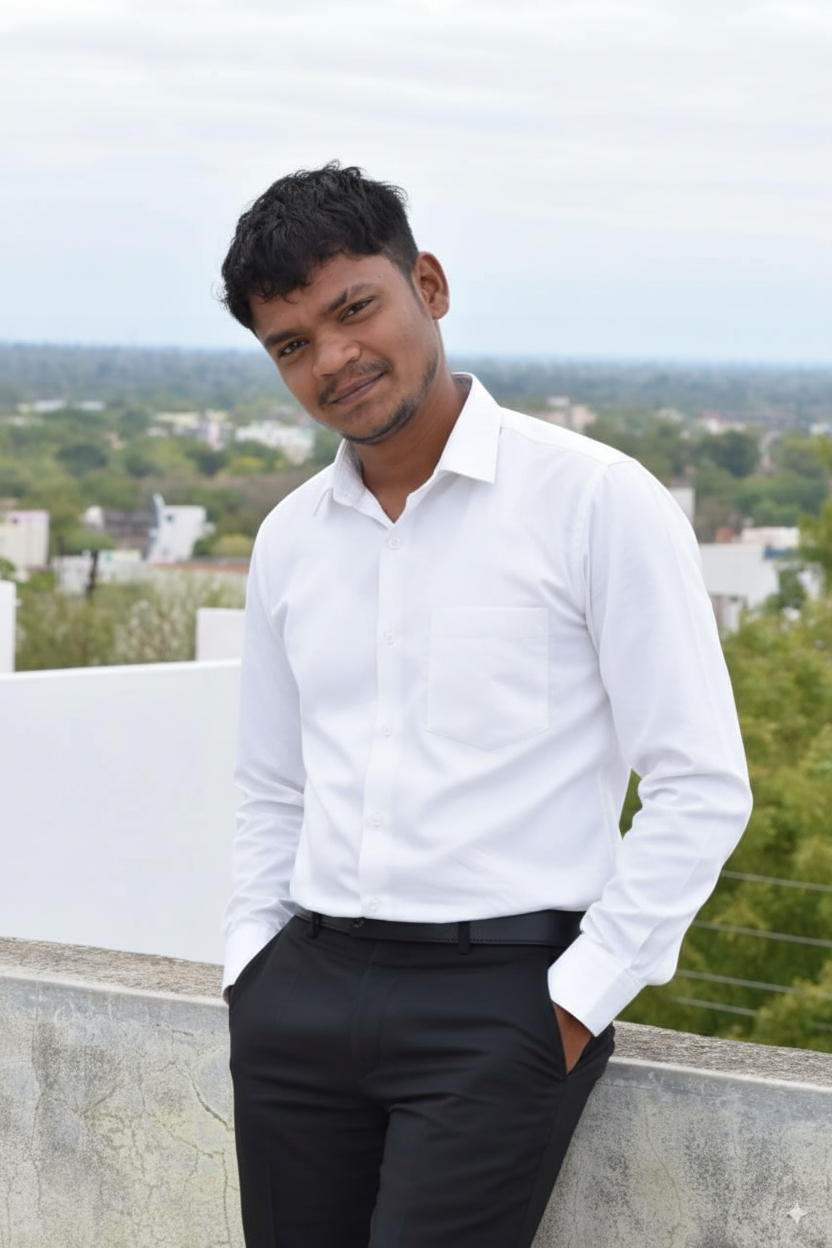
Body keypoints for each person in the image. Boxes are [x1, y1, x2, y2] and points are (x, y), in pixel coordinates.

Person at [219, 162, 752, 1248]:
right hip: (301, 995)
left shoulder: (595, 500)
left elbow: (700, 783)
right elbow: (273, 784)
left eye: (355, 309)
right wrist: (251, 967)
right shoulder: (288, 540)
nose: (333, 359)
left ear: (429, 284)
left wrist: (573, 1003)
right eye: (292, 344)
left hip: (500, 1002)